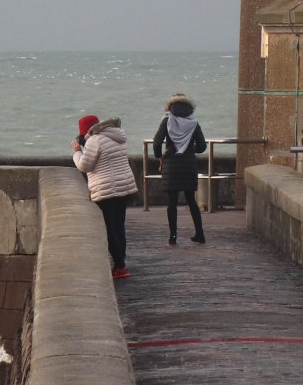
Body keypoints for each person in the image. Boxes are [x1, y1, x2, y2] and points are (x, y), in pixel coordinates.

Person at [72, 115, 139, 280]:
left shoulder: (95, 140)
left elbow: (85, 165)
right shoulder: (116, 136)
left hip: (106, 189)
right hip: (124, 186)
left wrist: (77, 152)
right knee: (119, 226)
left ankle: (120, 266)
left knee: (109, 228)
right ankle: (120, 263)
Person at [153, 93, 207, 245]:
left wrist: (160, 156)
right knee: (191, 200)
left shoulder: (167, 120)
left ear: (171, 106)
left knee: (172, 202)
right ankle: (200, 234)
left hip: (171, 164)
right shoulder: (193, 123)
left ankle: (173, 236)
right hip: (188, 164)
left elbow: (157, 143)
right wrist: (189, 150)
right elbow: (202, 146)